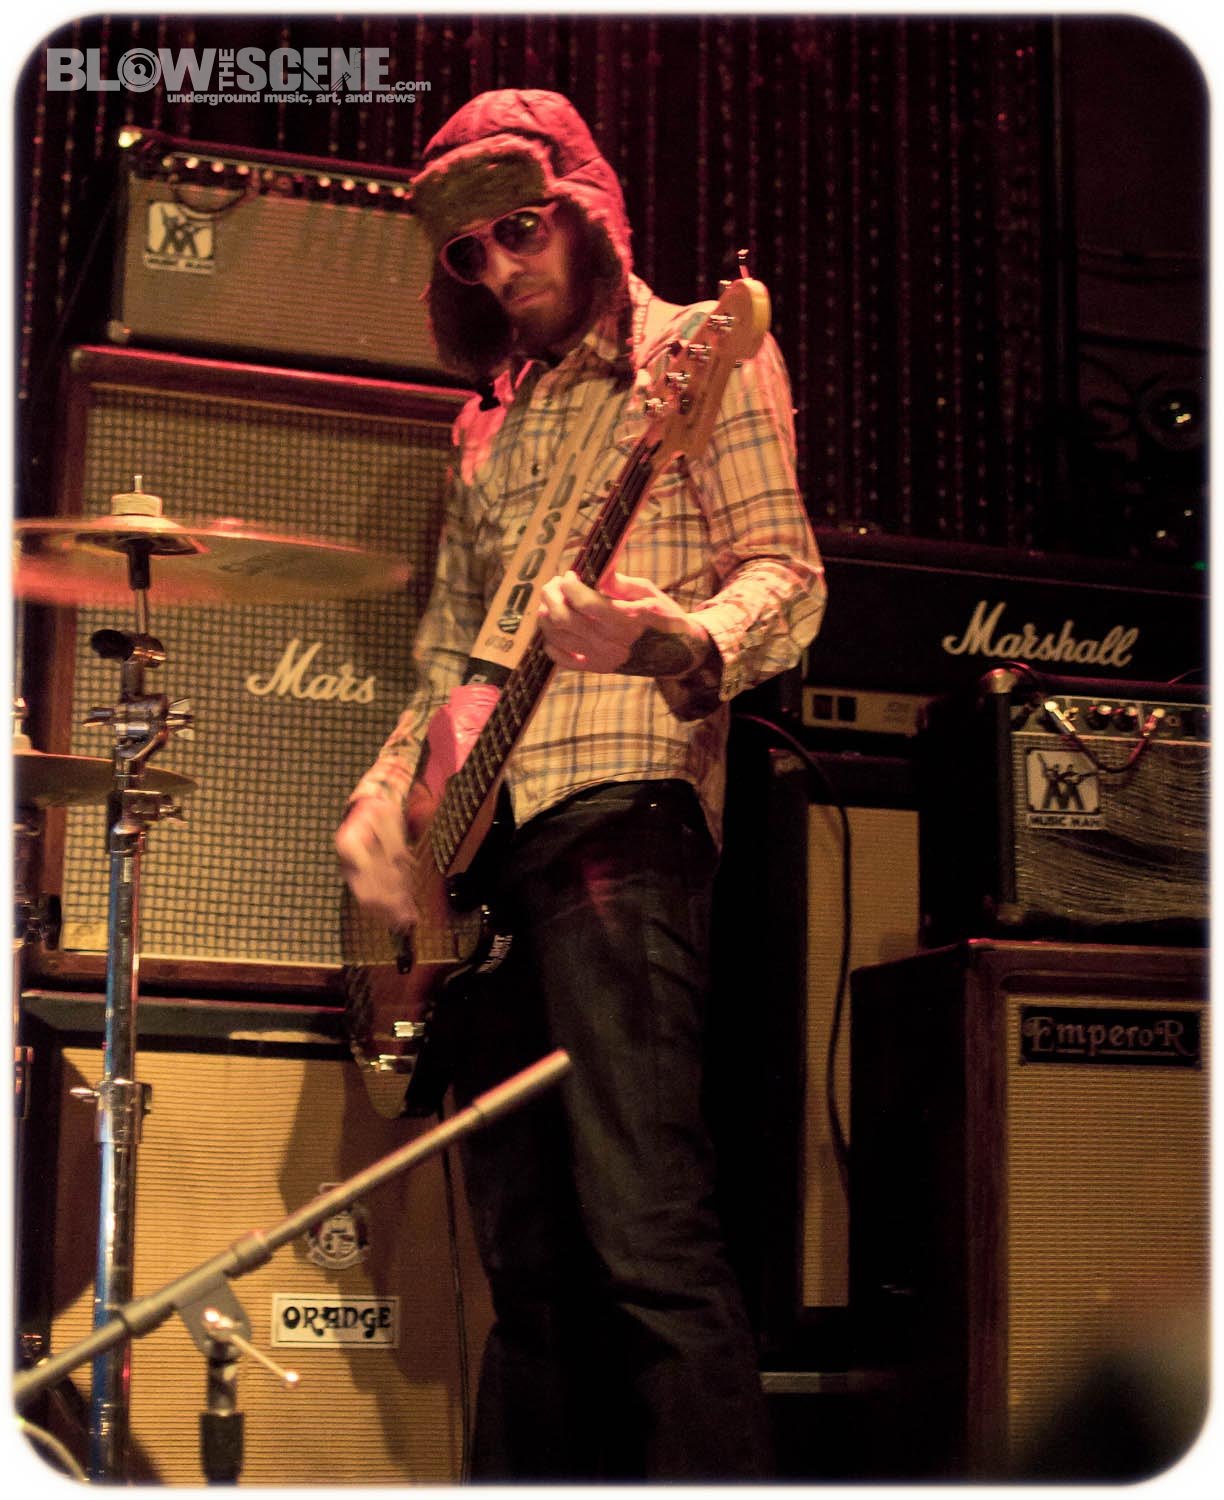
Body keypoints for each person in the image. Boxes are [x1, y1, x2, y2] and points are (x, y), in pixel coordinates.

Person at [335, 89, 826, 1481]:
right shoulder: (486, 422)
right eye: (467, 255)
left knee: (647, 1235)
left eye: (519, 229)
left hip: (621, 808)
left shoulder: (702, 351)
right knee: (527, 1272)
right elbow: (454, 650)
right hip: (484, 851)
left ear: (588, 212)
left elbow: (789, 575)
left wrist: (676, 639)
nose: (499, 268)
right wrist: (386, 798)